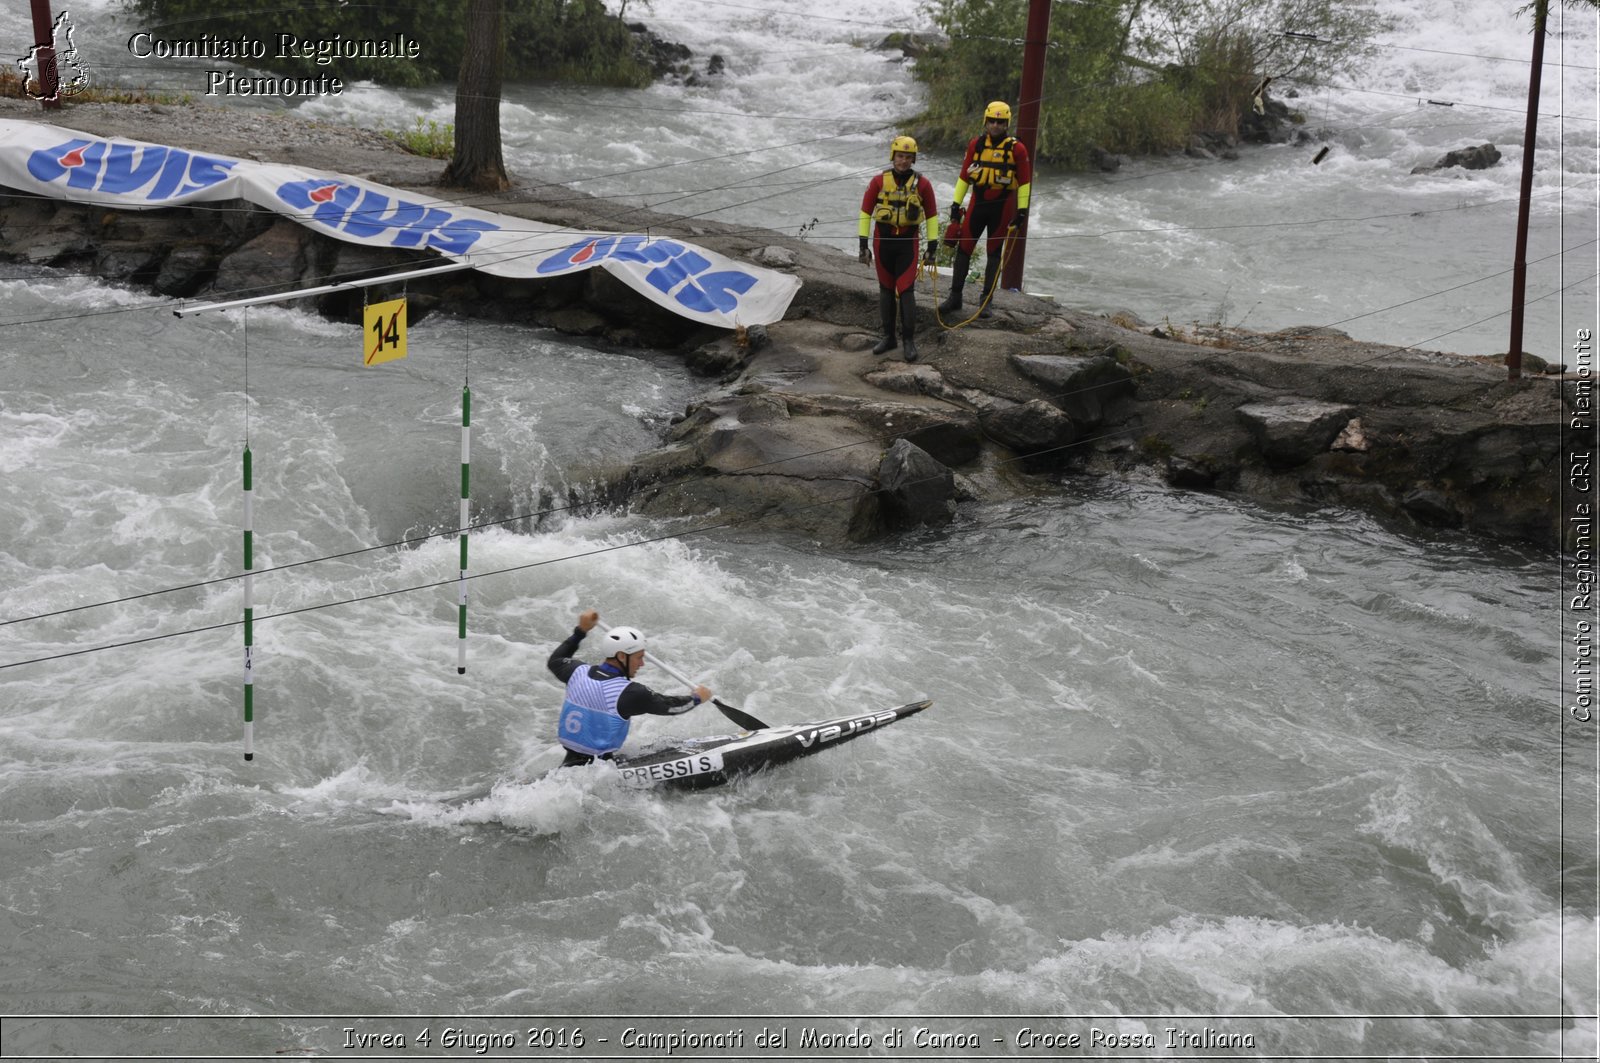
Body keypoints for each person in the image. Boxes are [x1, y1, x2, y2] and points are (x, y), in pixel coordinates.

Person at [548, 608, 711, 768]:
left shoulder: (576, 672)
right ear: (620, 656)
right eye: (638, 658)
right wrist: (697, 698)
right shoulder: (630, 693)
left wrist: (581, 631)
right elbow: (670, 707)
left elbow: (556, 659)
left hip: (571, 764)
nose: (642, 663)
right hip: (599, 771)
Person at [938, 101, 1033, 319]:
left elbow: (1025, 183)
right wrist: (955, 205)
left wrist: (1021, 212)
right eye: (992, 121)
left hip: (1002, 207)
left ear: (1007, 124)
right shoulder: (976, 145)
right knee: (964, 249)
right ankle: (955, 297)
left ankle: (986, 302)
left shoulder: (1017, 149)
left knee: (993, 253)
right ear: (986, 122)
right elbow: (964, 176)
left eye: (1000, 122)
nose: (996, 125)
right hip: (977, 204)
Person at [858, 135, 939, 362]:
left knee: (906, 290)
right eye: (900, 156)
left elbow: (932, 216)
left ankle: (909, 341)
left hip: (907, 244)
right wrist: (863, 245)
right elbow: (865, 213)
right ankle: (888, 337)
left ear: (913, 160)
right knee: (885, 289)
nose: (903, 161)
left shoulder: (923, 184)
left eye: (908, 157)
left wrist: (932, 247)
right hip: (882, 242)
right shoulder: (878, 182)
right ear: (893, 157)